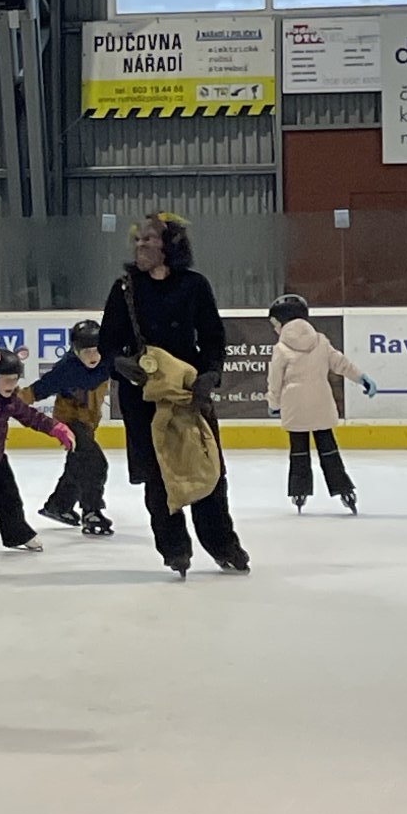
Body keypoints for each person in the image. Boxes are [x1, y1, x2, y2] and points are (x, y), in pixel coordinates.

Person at [99, 212, 250, 578]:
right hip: (143, 400)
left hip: (189, 394)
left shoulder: (195, 286)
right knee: (157, 476)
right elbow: (107, 345)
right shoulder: (124, 289)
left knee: (207, 469)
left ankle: (222, 544)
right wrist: (119, 363)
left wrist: (210, 374)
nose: (140, 246)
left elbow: (213, 338)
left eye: (149, 240)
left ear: (170, 246)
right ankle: (175, 549)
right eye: (138, 240)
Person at [0, 347, 74, 561]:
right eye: (6, 380)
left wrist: (54, 427)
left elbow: (29, 416)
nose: (11, 385)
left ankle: (17, 535)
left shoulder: (10, 399)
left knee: (10, 497)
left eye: (14, 380)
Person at [267, 294, 376, 514]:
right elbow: (341, 363)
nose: (275, 329)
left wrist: (274, 403)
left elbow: (275, 380)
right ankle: (344, 488)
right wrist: (362, 378)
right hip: (321, 403)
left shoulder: (281, 349)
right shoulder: (321, 341)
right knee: (328, 448)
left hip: (294, 406)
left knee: (298, 451)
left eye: (275, 324)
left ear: (283, 322)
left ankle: (299, 490)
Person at [21, 319, 113, 536]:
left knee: (77, 466)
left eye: (97, 350)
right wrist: (7, 402)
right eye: (87, 351)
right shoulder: (66, 369)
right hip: (70, 423)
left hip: (88, 422)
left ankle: (58, 506)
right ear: (75, 350)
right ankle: (92, 512)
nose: (93, 356)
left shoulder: (108, 361)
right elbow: (37, 390)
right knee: (95, 463)